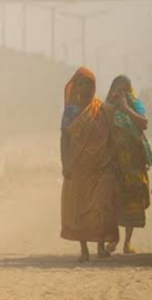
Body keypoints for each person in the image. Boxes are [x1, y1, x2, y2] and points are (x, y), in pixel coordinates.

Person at [60, 67, 118, 263]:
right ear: (77, 87)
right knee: (80, 208)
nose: (88, 89)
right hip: (78, 167)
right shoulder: (71, 111)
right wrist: (64, 163)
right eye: (85, 84)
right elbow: (64, 138)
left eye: (92, 85)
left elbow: (112, 134)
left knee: (101, 206)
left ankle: (100, 246)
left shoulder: (101, 108)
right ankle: (84, 249)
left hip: (102, 166)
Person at [104, 75, 151, 254]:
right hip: (114, 162)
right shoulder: (106, 108)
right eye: (117, 89)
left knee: (132, 201)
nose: (120, 93)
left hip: (133, 163)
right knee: (113, 202)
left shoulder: (136, 105)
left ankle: (127, 243)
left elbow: (144, 123)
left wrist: (126, 109)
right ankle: (113, 242)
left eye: (124, 89)